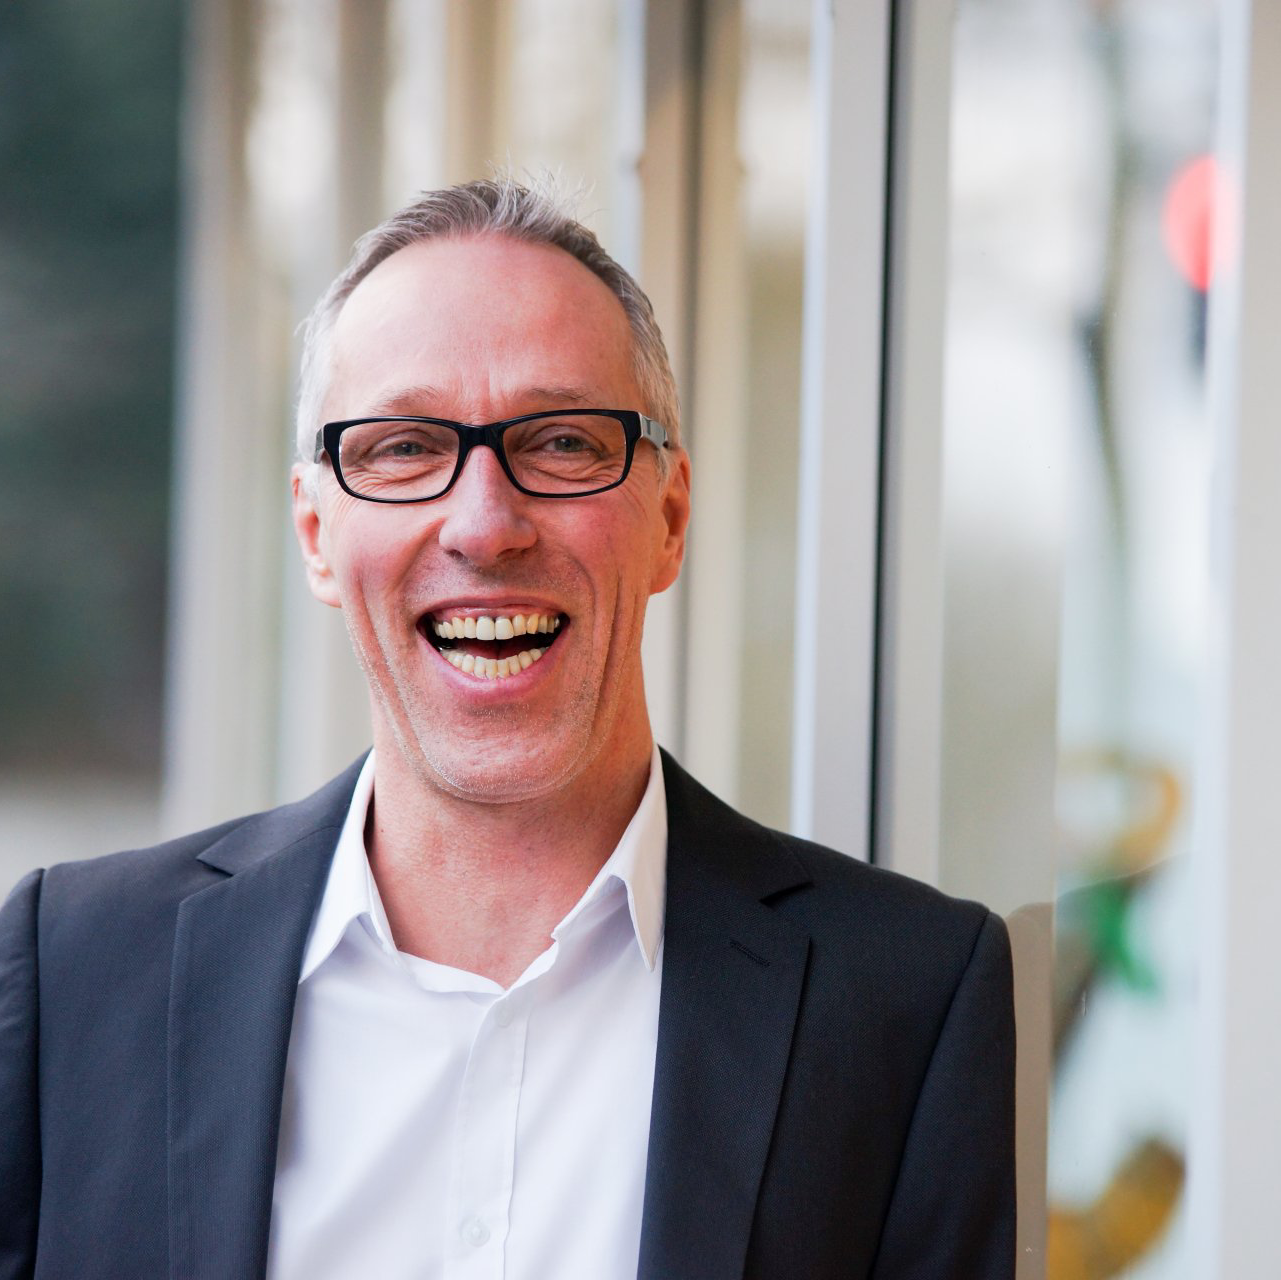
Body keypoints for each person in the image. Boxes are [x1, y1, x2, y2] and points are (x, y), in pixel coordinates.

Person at [0, 178, 1015, 1279]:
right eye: (402, 447)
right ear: (316, 533)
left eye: (563, 442)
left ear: (670, 518)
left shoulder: (905, 1001)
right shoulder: (76, 973)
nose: (484, 525)